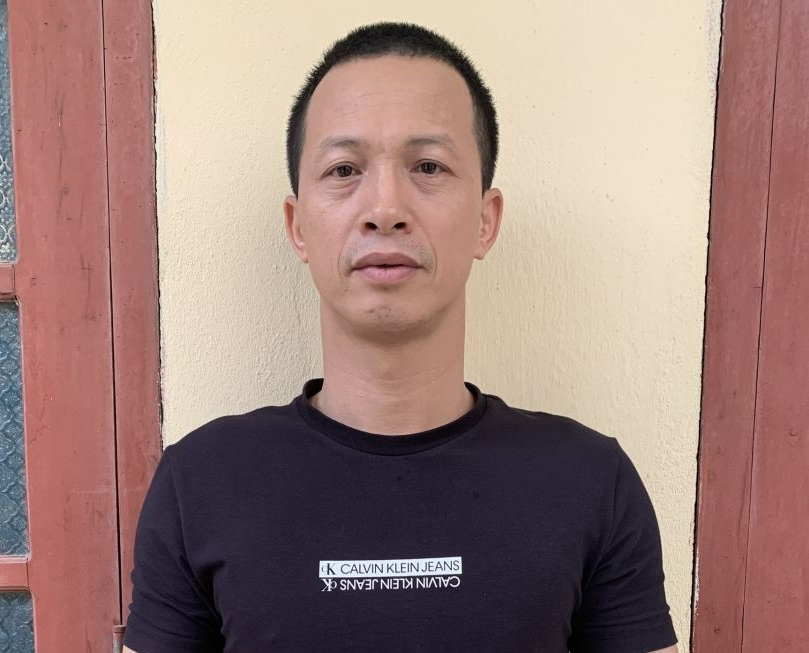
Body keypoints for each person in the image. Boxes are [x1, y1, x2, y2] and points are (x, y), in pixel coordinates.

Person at [123, 22, 678, 653]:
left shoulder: (591, 482)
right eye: (344, 169)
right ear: (298, 226)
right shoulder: (200, 483)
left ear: (486, 221)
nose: (385, 208)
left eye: (428, 166)